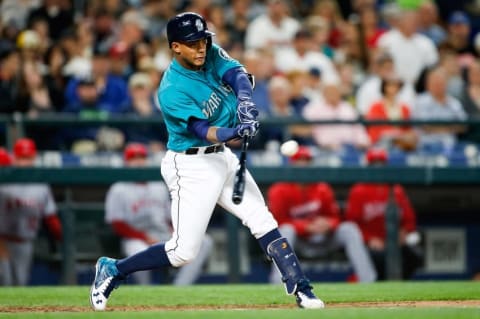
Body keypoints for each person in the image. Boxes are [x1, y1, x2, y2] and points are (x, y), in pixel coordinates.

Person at [90, 12, 324, 311]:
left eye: (203, 40)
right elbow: (204, 131)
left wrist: (247, 103)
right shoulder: (171, 89)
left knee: (262, 219)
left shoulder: (209, 52)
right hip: (191, 165)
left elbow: (237, 74)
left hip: (222, 158)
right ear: (175, 47)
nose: (201, 47)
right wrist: (236, 131)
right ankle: (114, 269)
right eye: (192, 43)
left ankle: (302, 289)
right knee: (182, 252)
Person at [105, 143, 213, 285]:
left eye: (141, 158)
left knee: (204, 241)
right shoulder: (118, 188)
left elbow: (171, 217)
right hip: (136, 238)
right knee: (138, 250)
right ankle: (146, 290)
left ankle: (180, 287)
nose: (138, 162)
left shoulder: (159, 186)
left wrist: (177, 232)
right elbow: (117, 224)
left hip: (162, 235)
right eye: (133, 158)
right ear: (126, 162)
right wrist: (145, 237)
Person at [267, 146, 377, 283]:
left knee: (349, 229)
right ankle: (279, 283)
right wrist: (305, 226)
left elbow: (335, 217)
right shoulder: (279, 189)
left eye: (306, 161)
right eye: (299, 161)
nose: (303, 165)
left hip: (324, 237)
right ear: (292, 165)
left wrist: (329, 223)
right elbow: (277, 223)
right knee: (285, 232)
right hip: (299, 241)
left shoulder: (322, 188)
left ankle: (367, 281)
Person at [344, 148, 424, 280]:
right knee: (377, 256)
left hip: (395, 241)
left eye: (380, 163)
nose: (378, 167)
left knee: (415, 255)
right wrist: (369, 239)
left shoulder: (396, 189)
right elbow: (352, 224)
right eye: (374, 163)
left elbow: (410, 220)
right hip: (372, 243)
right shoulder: (359, 190)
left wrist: (403, 233)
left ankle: (401, 285)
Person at [0, 138, 62, 286]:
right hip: (3, 239)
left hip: (25, 241)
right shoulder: (3, 181)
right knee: (4, 280)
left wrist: (60, 239)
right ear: (14, 158)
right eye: (21, 158)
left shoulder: (41, 185)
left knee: (20, 283)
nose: (25, 163)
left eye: (28, 158)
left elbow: (51, 217)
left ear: (34, 158)